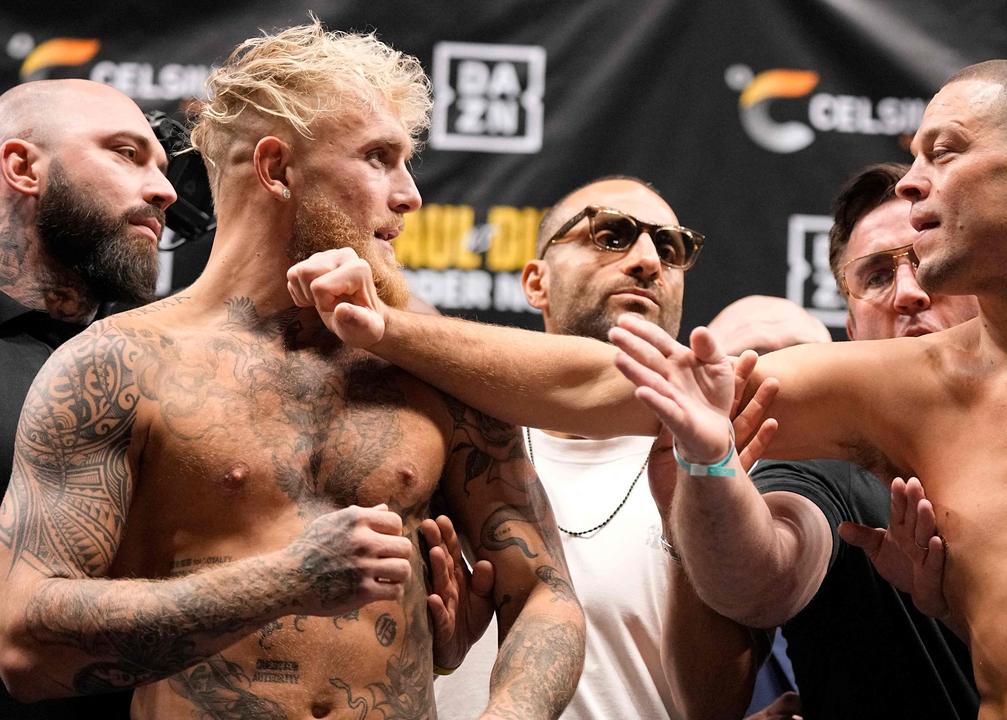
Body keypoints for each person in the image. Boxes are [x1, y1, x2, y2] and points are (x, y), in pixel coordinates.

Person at [289, 59, 1007, 719]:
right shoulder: (907, 385)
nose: (913, 185)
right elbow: (621, 384)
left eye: (942, 154)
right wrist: (387, 328)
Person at [0, 21, 584, 720]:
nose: (409, 195)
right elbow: (26, 643)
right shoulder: (116, 366)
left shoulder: (432, 372)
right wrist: (289, 579)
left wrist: (509, 716)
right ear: (277, 169)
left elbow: (546, 592)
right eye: (378, 158)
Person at [434, 175, 785, 719]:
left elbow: (717, 706)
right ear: (536, 282)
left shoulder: (724, 470)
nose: (648, 260)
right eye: (612, 234)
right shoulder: (454, 441)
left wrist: (685, 515)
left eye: (670, 247)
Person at [668, 165, 980, 719]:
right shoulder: (820, 465)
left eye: (929, 263)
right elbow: (765, 574)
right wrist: (709, 465)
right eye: (878, 276)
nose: (909, 293)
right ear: (852, 329)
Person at [0, 78, 176, 720]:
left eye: (160, 164)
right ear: (22, 167)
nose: (164, 190)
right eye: (125, 153)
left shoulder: (172, 357)